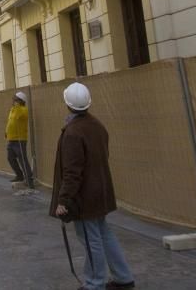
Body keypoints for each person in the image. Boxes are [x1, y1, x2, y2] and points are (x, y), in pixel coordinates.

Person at [51, 83, 135, 290]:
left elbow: (72, 172)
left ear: (67, 104)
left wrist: (64, 200)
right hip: (100, 191)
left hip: (85, 197)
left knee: (91, 240)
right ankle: (123, 277)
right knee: (104, 234)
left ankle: (94, 283)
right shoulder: (97, 125)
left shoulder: (72, 133)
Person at [6, 91, 34, 189]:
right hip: (11, 139)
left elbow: (18, 116)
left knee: (23, 160)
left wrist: (17, 105)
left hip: (20, 140)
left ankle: (29, 180)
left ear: (20, 101)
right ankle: (19, 175)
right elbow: (10, 121)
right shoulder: (13, 109)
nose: (13, 101)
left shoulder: (23, 110)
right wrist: (7, 132)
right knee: (10, 158)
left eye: (15, 99)